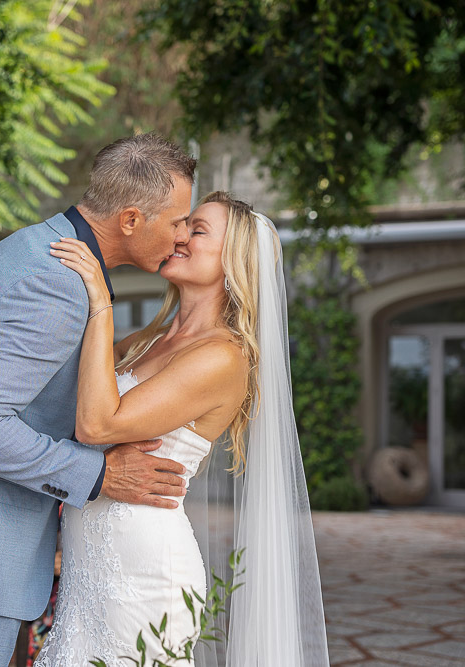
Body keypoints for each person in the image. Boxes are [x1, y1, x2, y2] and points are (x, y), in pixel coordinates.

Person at [0, 133, 198, 667]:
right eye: (178, 221)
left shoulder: (33, 246)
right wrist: (98, 476)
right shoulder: (57, 286)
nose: (182, 235)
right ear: (132, 219)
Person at [36, 192, 329, 665]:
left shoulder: (222, 357)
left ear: (233, 260)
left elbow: (96, 423)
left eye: (198, 230)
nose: (179, 237)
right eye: (183, 225)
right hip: (88, 565)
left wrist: (100, 301)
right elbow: (66, 402)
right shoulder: (146, 341)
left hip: (145, 571)